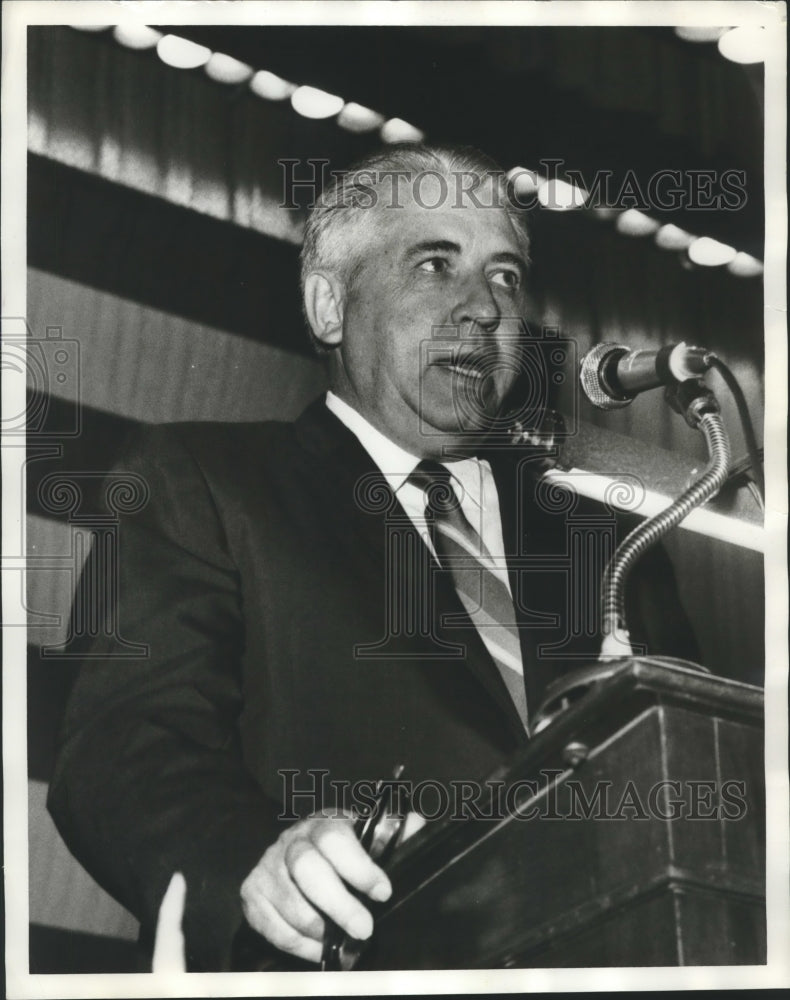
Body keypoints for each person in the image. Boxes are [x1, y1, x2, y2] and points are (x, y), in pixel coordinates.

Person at [48, 144, 698, 971]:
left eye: (505, 276)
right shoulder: (204, 482)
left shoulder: (617, 548)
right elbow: (126, 748)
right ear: (329, 304)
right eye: (435, 263)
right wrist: (259, 863)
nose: (485, 310)